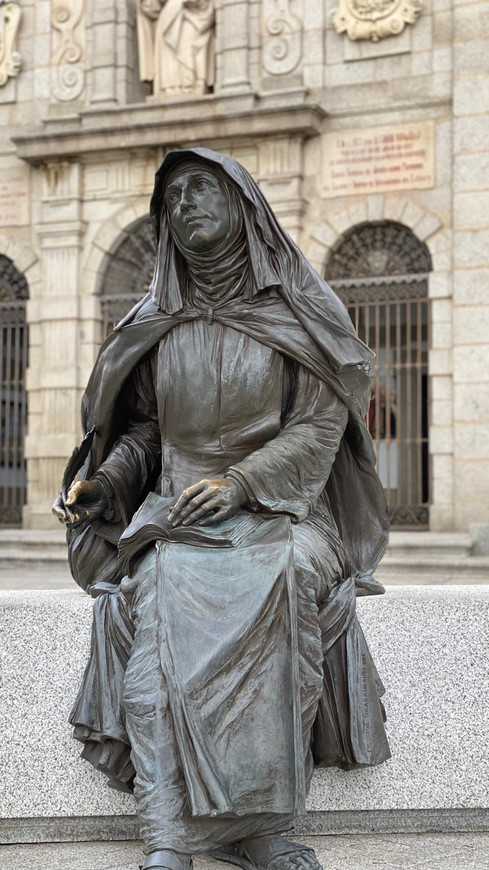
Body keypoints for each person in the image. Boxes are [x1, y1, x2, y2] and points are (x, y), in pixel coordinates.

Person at [53, 148, 391, 870]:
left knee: (284, 575)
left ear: (243, 205)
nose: (185, 204)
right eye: (172, 197)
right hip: (178, 513)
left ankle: (262, 826)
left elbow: (321, 425)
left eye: (202, 188)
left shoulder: (300, 312)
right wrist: (107, 483)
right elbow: (145, 432)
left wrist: (242, 482)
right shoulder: (155, 321)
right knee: (158, 584)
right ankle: (166, 834)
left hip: (285, 510)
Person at [137, 0, 215, 98]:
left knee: (188, 47)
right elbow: (153, 6)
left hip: (194, 16)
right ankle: (171, 88)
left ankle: (191, 85)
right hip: (170, 15)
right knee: (169, 54)